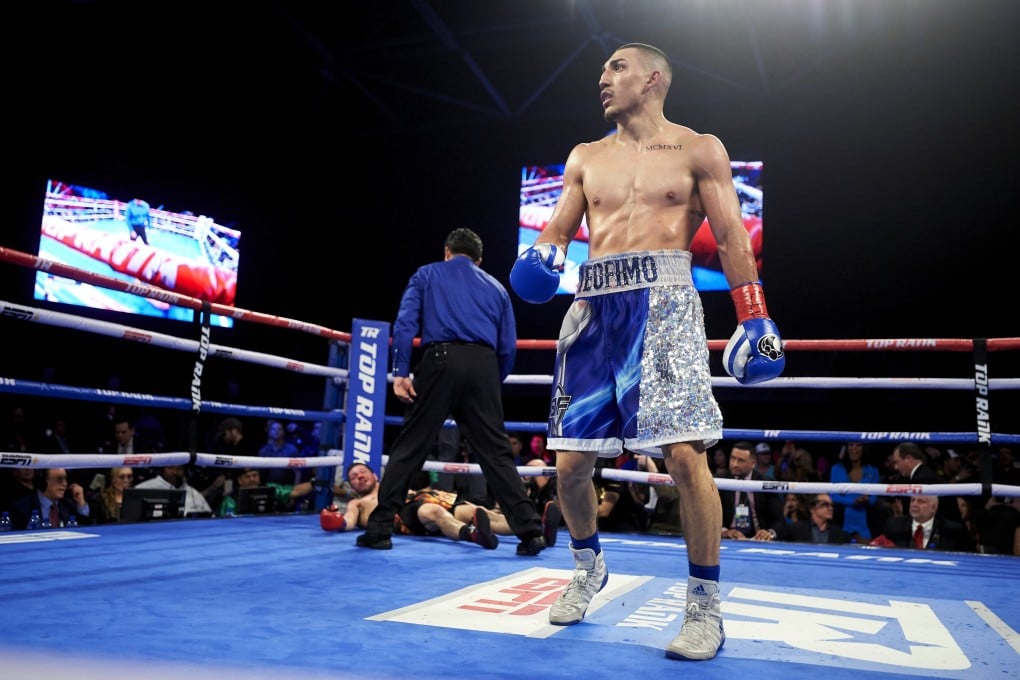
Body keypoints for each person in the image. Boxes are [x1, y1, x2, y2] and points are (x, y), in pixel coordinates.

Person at [508, 43, 785, 661]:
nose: (602, 79)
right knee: (570, 466)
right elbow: (557, 230)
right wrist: (542, 255)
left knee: (685, 456)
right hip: (592, 306)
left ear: (653, 78)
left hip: (664, 304)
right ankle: (587, 567)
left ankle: (704, 608)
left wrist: (754, 314)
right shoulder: (585, 157)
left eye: (616, 67)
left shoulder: (698, 148)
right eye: (604, 70)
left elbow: (735, 239)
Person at [354, 228, 547, 555]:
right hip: (484, 366)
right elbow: (507, 348)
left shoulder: (427, 274)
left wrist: (400, 371)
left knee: (410, 447)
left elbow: (404, 324)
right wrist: (489, 380)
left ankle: (380, 529)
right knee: (496, 453)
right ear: (479, 260)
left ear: (447, 251)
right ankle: (531, 532)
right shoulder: (497, 288)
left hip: (440, 361)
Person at [719, 441, 784, 541]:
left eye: (741, 460)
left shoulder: (766, 483)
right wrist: (724, 531)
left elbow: (779, 520)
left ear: (753, 463)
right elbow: (707, 516)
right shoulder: (720, 481)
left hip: (758, 539)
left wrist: (769, 533)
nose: (734, 464)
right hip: (728, 539)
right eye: (732, 458)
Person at [870, 495, 974, 552]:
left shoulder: (953, 530)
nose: (914, 504)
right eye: (913, 500)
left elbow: (971, 558)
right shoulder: (894, 525)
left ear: (934, 508)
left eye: (921, 501)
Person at [8, 468, 97, 530]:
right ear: (43, 481)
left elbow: (88, 530)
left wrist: (81, 503)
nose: (65, 484)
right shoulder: (20, 508)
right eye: (59, 479)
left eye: (65, 479)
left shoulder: (69, 504)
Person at [828, 442, 880, 542]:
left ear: (864, 448)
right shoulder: (836, 469)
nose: (854, 448)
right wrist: (853, 501)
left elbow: (874, 498)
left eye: (858, 445)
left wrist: (866, 499)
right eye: (851, 445)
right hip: (841, 523)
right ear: (846, 448)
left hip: (865, 524)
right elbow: (833, 496)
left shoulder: (872, 470)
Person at [218, 467, 316, 518]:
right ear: (240, 480)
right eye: (247, 477)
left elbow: (295, 490)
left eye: (254, 475)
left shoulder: (270, 489)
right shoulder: (231, 499)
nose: (252, 479)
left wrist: (316, 482)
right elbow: (226, 519)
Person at [134, 464, 213, 517]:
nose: (174, 472)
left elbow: (210, 516)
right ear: (163, 469)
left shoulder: (193, 493)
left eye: (179, 469)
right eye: (170, 468)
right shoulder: (144, 488)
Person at [775, 494, 853, 545]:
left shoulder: (841, 535)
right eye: (825, 504)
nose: (830, 508)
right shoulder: (795, 529)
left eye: (831, 505)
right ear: (812, 509)